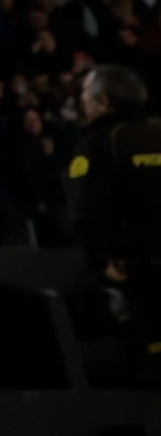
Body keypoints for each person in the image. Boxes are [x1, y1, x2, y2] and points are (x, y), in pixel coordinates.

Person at [69, 65, 160, 383]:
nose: (81, 102)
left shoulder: (98, 142)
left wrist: (100, 260)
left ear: (103, 102)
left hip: (138, 267)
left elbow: (86, 212)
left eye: (84, 96)